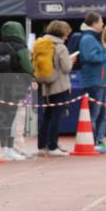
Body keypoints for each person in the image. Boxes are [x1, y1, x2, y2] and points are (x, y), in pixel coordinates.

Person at [0, 21, 33, 160]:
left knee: (1, 118)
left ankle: (3, 147)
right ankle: (8, 149)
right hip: (15, 86)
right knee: (10, 118)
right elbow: (27, 67)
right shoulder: (21, 47)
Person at [37, 20, 73, 157]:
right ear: (61, 33)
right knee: (56, 117)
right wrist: (70, 59)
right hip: (60, 86)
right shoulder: (61, 47)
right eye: (66, 34)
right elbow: (66, 67)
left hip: (46, 86)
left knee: (47, 116)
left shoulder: (42, 44)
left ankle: (42, 146)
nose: (67, 37)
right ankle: (53, 146)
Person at [77, 10, 106, 153]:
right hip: (95, 82)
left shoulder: (92, 38)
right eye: (101, 21)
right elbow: (90, 57)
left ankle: (99, 140)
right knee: (95, 113)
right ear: (95, 23)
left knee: (105, 114)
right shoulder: (88, 39)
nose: (103, 23)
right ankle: (93, 141)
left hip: (103, 81)